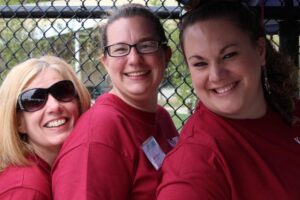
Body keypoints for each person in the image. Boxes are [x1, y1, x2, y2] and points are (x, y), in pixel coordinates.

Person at [157, 1, 300, 200]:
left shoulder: (289, 109)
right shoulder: (197, 159)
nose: (216, 75)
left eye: (229, 55)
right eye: (200, 63)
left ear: (260, 51)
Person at [51, 3, 178, 200]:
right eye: (120, 49)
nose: (134, 59)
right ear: (105, 63)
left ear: (166, 56)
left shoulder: (161, 117)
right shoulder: (98, 135)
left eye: (146, 45)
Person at [0, 55, 91, 200]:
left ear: (78, 102)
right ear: (18, 122)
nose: (54, 106)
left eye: (62, 91)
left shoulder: (53, 171)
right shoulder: (26, 189)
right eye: (34, 99)